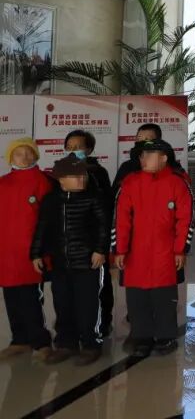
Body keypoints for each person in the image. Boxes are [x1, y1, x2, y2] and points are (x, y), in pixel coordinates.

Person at [113, 139, 195, 358]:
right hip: (135, 252)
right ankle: (142, 337)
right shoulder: (130, 182)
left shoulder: (177, 183)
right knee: (137, 298)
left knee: (164, 297)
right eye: (141, 155)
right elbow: (120, 218)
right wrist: (120, 249)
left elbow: (186, 219)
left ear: (164, 157)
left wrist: (180, 250)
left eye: (148, 154)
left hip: (165, 251)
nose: (143, 159)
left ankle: (166, 337)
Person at [30, 154, 108, 365]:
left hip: (88, 262)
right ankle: (66, 343)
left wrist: (100, 250)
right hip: (60, 263)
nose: (82, 179)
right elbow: (42, 228)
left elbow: (103, 226)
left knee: (88, 304)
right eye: (76, 176)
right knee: (62, 303)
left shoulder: (94, 197)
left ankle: (91, 343)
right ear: (61, 179)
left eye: (83, 175)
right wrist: (36, 253)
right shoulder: (51, 200)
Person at [0, 138, 54, 361]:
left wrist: (42, 250)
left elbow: (48, 220)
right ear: (10, 158)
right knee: (10, 295)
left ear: (36, 155)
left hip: (32, 251)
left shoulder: (43, 181)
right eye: (19, 153)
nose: (24, 157)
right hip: (6, 251)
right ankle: (19, 340)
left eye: (28, 152)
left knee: (31, 297)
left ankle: (40, 341)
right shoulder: (3, 182)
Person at [62, 129, 114, 337]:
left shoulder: (97, 173)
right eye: (69, 147)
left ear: (89, 149)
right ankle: (75, 325)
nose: (73, 151)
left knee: (99, 286)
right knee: (70, 288)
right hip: (70, 243)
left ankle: (102, 323)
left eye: (78, 147)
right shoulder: (60, 171)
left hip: (93, 242)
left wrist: (101, 245)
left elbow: (106, 209)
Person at [114, 124, 186, 189]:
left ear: (158, 141)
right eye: (139, 139)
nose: (141, 143)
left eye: (147, 140)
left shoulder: (171, 166)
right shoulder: (126, 167)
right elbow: (116, 194)